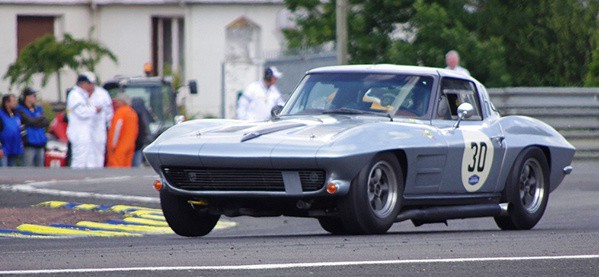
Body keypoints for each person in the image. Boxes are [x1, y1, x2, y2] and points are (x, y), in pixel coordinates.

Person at [66, 72, 104, 168]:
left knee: (88, 156)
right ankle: (77, 177)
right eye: (89, 83)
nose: (91, 86)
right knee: (80, 157)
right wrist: (94, 109)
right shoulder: (75, 95)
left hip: (85, 130)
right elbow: (82, 112)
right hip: (79, 131)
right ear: (82, 83)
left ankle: (87, 178)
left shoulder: (82, 95)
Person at [16, 87, 49, 167]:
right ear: (27, 97)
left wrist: (34, 121)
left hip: (40, 141)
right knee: (28, 165)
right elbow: (29, 121)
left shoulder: (38, 108)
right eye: (33, 96)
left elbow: (46, 121)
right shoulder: (20, 109)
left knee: (40, 166)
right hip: (29, 142)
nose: (35, 98)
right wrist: (39, 119)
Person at [87, 72, 114, 167]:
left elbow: (109, 112)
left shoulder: (103, 94)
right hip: (85, 127)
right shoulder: (79, 94)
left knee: (99, 149)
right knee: (86, 150)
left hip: (99, 127)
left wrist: (108, 125)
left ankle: (97, 170)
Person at [106, 93, 139, 167]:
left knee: (115, 166)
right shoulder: (132, 112)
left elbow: (116, 130)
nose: (116, 103)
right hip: (130, 145)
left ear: (122, 101)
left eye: (117, 101)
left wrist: (113, 145)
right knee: (126, 167)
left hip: (119, 146)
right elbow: (136, 131)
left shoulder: (120, 112)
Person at [0, 94, 24, 166]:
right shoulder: (1, 115)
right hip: (4, 149)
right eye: (13, 101)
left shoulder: (17, 115)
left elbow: (21, 129)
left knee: (12, 172)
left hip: (14, 148)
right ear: (7, 103)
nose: (15, 103)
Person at [130, 97, 152, 167]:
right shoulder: (142, 116)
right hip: (138, 145)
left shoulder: (132, 114)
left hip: (135, 145)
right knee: (136, 165)